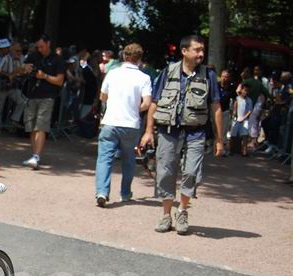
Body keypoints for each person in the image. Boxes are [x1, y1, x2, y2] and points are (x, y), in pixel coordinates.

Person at [139, 35, 224, 235]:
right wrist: (148, 131)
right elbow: (155, 102)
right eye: (197, 50)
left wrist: (220, 139)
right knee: (165, 172)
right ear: (184, 51)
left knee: (192, 172)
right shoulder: (168, 72)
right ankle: (166, 215)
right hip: (168, 131)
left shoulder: (209, 75)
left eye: (202, 50)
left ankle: (182, 211)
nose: (201, 54)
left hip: (196, 132)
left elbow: (216, 107)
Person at [94, 43, 152, 207]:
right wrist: (135, 108)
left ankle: (102, 191)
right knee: (129, 159)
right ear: (139, 59)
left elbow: (102, 96)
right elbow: (147, 103)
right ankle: (125, 192)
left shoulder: (112, 73)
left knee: (104, 158)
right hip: (131, 124)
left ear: (124, 56)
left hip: (111, 121)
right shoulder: (144, 78)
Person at [22, 35, 65, 169]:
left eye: (42, 46)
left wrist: (44, 76)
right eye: (38, 47)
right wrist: (25, 68)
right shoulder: (33, 56)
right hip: (31, 95)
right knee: (31, 126)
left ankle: (36, 156)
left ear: (48, 44)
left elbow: (60, 81)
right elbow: (21, 69)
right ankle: (34, 155)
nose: (40, 49)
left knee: (41, 126)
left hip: (47, 97)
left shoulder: (57, 60)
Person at [230, 83, 251, 157]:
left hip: (245, 120)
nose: (246, 92)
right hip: (236, 119)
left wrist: (244, 118)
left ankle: (244, 151)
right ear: (241, 90)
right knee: (233, 135)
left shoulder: (249, 100)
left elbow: (249, 111)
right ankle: (231, 150)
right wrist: (233, 116)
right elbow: (233, 108)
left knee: (245, 135)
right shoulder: (237, 98)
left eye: (247, 91)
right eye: (244, 90)